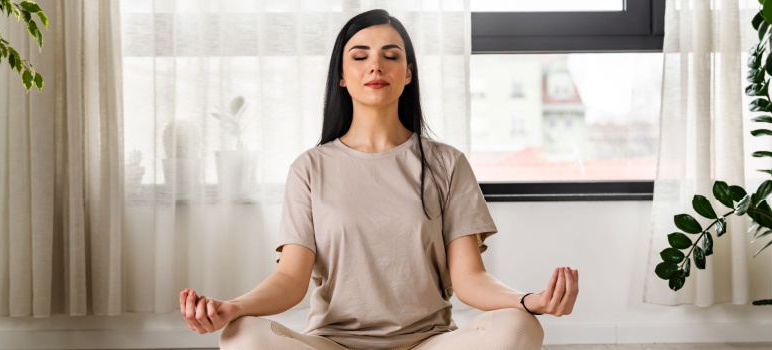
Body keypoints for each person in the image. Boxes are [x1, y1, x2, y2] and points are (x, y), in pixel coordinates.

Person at [179, 9, 579, 350]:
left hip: (428, 342)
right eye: (360, 56)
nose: (376, 66)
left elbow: (470, 279)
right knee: (242, 335)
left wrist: (530, 300)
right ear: (341, 76)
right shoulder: (310, 168)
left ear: (407, 74)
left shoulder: (447, 163)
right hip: (332, 343)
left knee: (520, 327)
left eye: (391, 56)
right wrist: (234, 307)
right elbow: (290, 279)